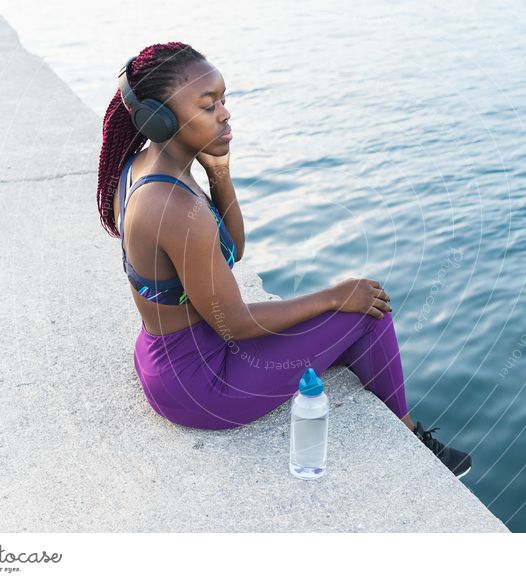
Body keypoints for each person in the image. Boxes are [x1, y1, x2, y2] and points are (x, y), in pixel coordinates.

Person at [95, 41, 472, 478]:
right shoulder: (176, 209)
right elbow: (233, 324)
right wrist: (334, 296)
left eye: (223, 99)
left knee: (344, 317)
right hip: (203, 387)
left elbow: (232, 249)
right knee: (369, 310)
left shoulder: (145, 167)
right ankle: (410, 435)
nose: (225, 113)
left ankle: (353, 362)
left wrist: (219, 171)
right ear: (160, 119)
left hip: (164, 359)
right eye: (208, 105)